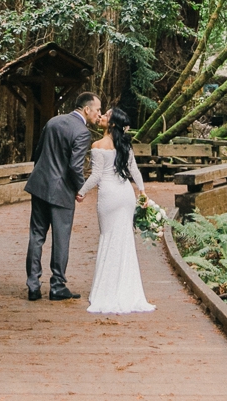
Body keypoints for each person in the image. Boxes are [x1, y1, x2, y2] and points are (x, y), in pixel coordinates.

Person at [76, 106, 155, 314]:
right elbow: (134, 170)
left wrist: (81, 192)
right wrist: (142, 192)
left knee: (108, 238)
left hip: (109, 196)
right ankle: (127, 289)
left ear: (111, 123)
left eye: (106, 115)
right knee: (125, 241)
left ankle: (106, 290)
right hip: (126, 195)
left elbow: (96, 176)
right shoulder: (125, 145)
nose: (101, 116)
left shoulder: (98, 145)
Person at [23, 91, 101, 301]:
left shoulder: (53, 122)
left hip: (39, 185)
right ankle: (57, 285)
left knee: (36, 236)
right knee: (61, 238)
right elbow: (75, 167)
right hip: (62, 192)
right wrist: (81, 189)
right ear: (86, 109)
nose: (98, 114)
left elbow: (38, 153)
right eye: (97, 110)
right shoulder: (82, 132)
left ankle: (33, 285)